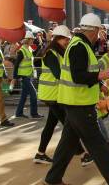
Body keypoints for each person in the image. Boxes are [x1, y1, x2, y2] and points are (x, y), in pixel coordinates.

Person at [44, 13, 109, 185]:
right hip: (79, 104)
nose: (99, 35)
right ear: (93, 30)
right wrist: (99, 76)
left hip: (74, 103)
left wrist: (99, 82)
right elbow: (78, 76)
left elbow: (82, 73)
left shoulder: (79, 45)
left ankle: (52, 179)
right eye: (99, 31)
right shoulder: (80, 46)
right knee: (98, 145)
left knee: (67, 145)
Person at [34, 25, 87, 165]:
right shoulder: (51, 53)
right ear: (57, 39)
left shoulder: (58, 52)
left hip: (54, 95)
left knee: (51, 125)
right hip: (52, 96)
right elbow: (58, 74)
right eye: (65, 39)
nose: (67, 42)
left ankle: (40, 153)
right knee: (70, 125)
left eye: (68, 39)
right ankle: (82, 154)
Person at [14, 31, 42, 119]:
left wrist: (40, 44)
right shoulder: (22, 51)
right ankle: (34, 114)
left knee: (24, 95)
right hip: (24, 76)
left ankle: (19, 113)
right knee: (34, 94)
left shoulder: (29, 48)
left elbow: (35, 53)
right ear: (27, 40)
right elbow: (16, 64)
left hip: (28, 76)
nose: (33, 40)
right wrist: (15, 77)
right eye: (32, 39)